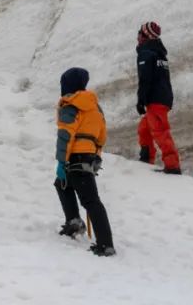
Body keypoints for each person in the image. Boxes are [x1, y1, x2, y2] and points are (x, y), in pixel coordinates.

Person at [55, 66, 116, 257]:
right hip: (89, 157)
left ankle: (105, 244)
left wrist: (61, 162)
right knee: (62, 185)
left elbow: (65, 135)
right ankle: (74, 222)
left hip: (75, 157)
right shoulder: (95, 107)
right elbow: (101, 136)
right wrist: (96, 155)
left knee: (91, 201)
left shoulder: (71, 105)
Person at [136, 21, 181, 174]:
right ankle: (146, 160)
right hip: (162, 97)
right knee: (144, 128)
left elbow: (145, 79)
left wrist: (141, 100)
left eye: (140, 33)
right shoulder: (158, 53)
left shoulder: (147, 54)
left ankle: (172, 166)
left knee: (160, 131)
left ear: (146, 36)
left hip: (156, 99)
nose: (138, 36)